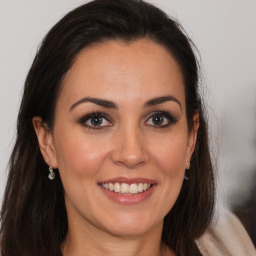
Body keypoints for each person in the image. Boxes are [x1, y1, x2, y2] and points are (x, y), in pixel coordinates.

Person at [0, 0, 255, 255]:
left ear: (191, 138)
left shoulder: (232, 247)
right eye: (96, 120)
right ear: (47, 141)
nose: (132, 154)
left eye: (158, 119)